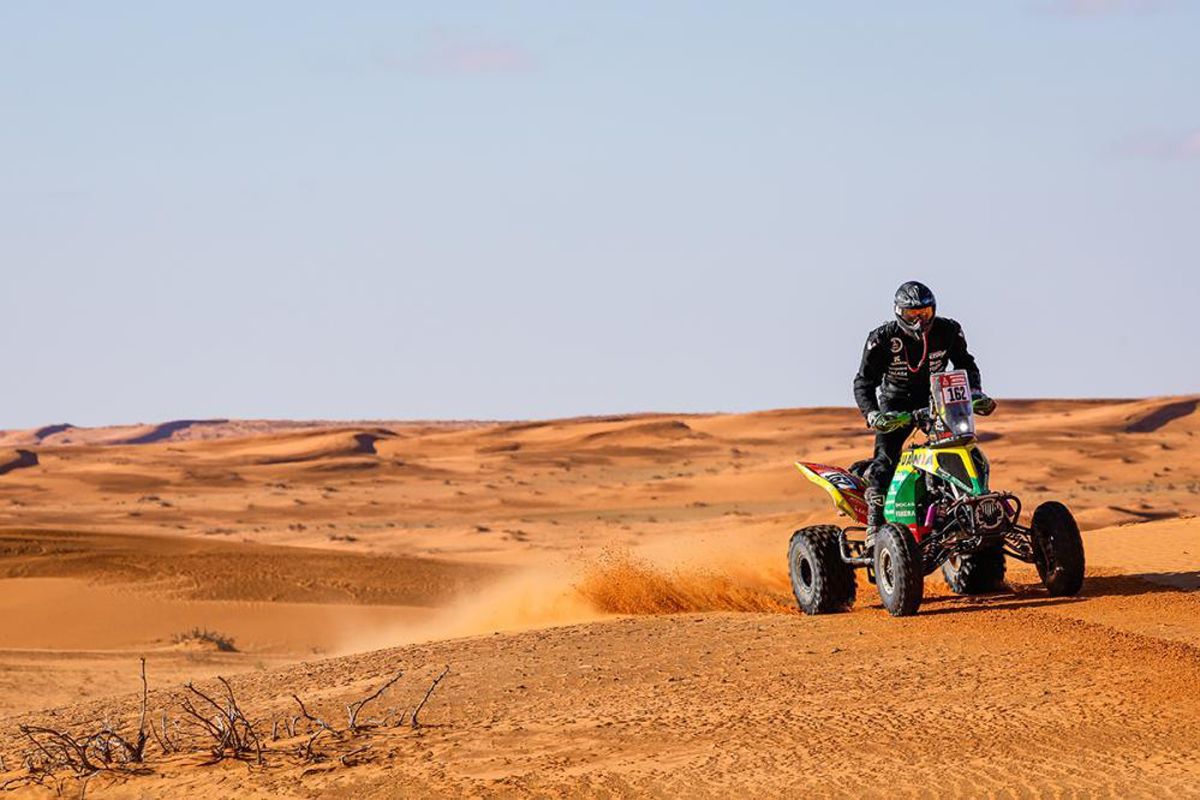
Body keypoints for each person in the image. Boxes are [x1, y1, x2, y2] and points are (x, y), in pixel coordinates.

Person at [852, 281, 995, 538]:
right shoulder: (881, 339)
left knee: (960, 448)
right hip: (895, 406)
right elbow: (864, 381)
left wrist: (975, 393)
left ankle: (968, 504)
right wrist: (873, 414)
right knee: (885, 460)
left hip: (937, 401)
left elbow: (965, 364)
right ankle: (874, 528)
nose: (919, 320)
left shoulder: (948, 330)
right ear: (899, 312)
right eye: (912, 314)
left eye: (925, 313)